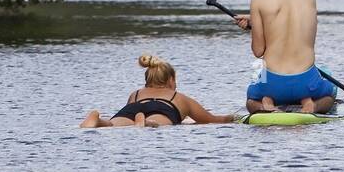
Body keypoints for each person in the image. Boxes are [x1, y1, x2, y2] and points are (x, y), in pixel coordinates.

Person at [235, 0, 336, 115]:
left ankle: (266, 105)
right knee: (330, 93)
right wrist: (259, 22)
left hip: (274, 82)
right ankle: (312, 105)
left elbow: (258, 51)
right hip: (306, 79)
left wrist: (255, 26)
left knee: (251, 101)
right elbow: (299, 27)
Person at [79, 53, 234, 128]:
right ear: (171, 80)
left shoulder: (136, 94)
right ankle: (147, 123)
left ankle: (99, 121)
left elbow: (131, 111)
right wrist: (232, 118)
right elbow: (211, 120)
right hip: (164, 107)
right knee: (158, 123)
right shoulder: (179, 97)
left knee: (115, 124)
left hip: (134, 108)